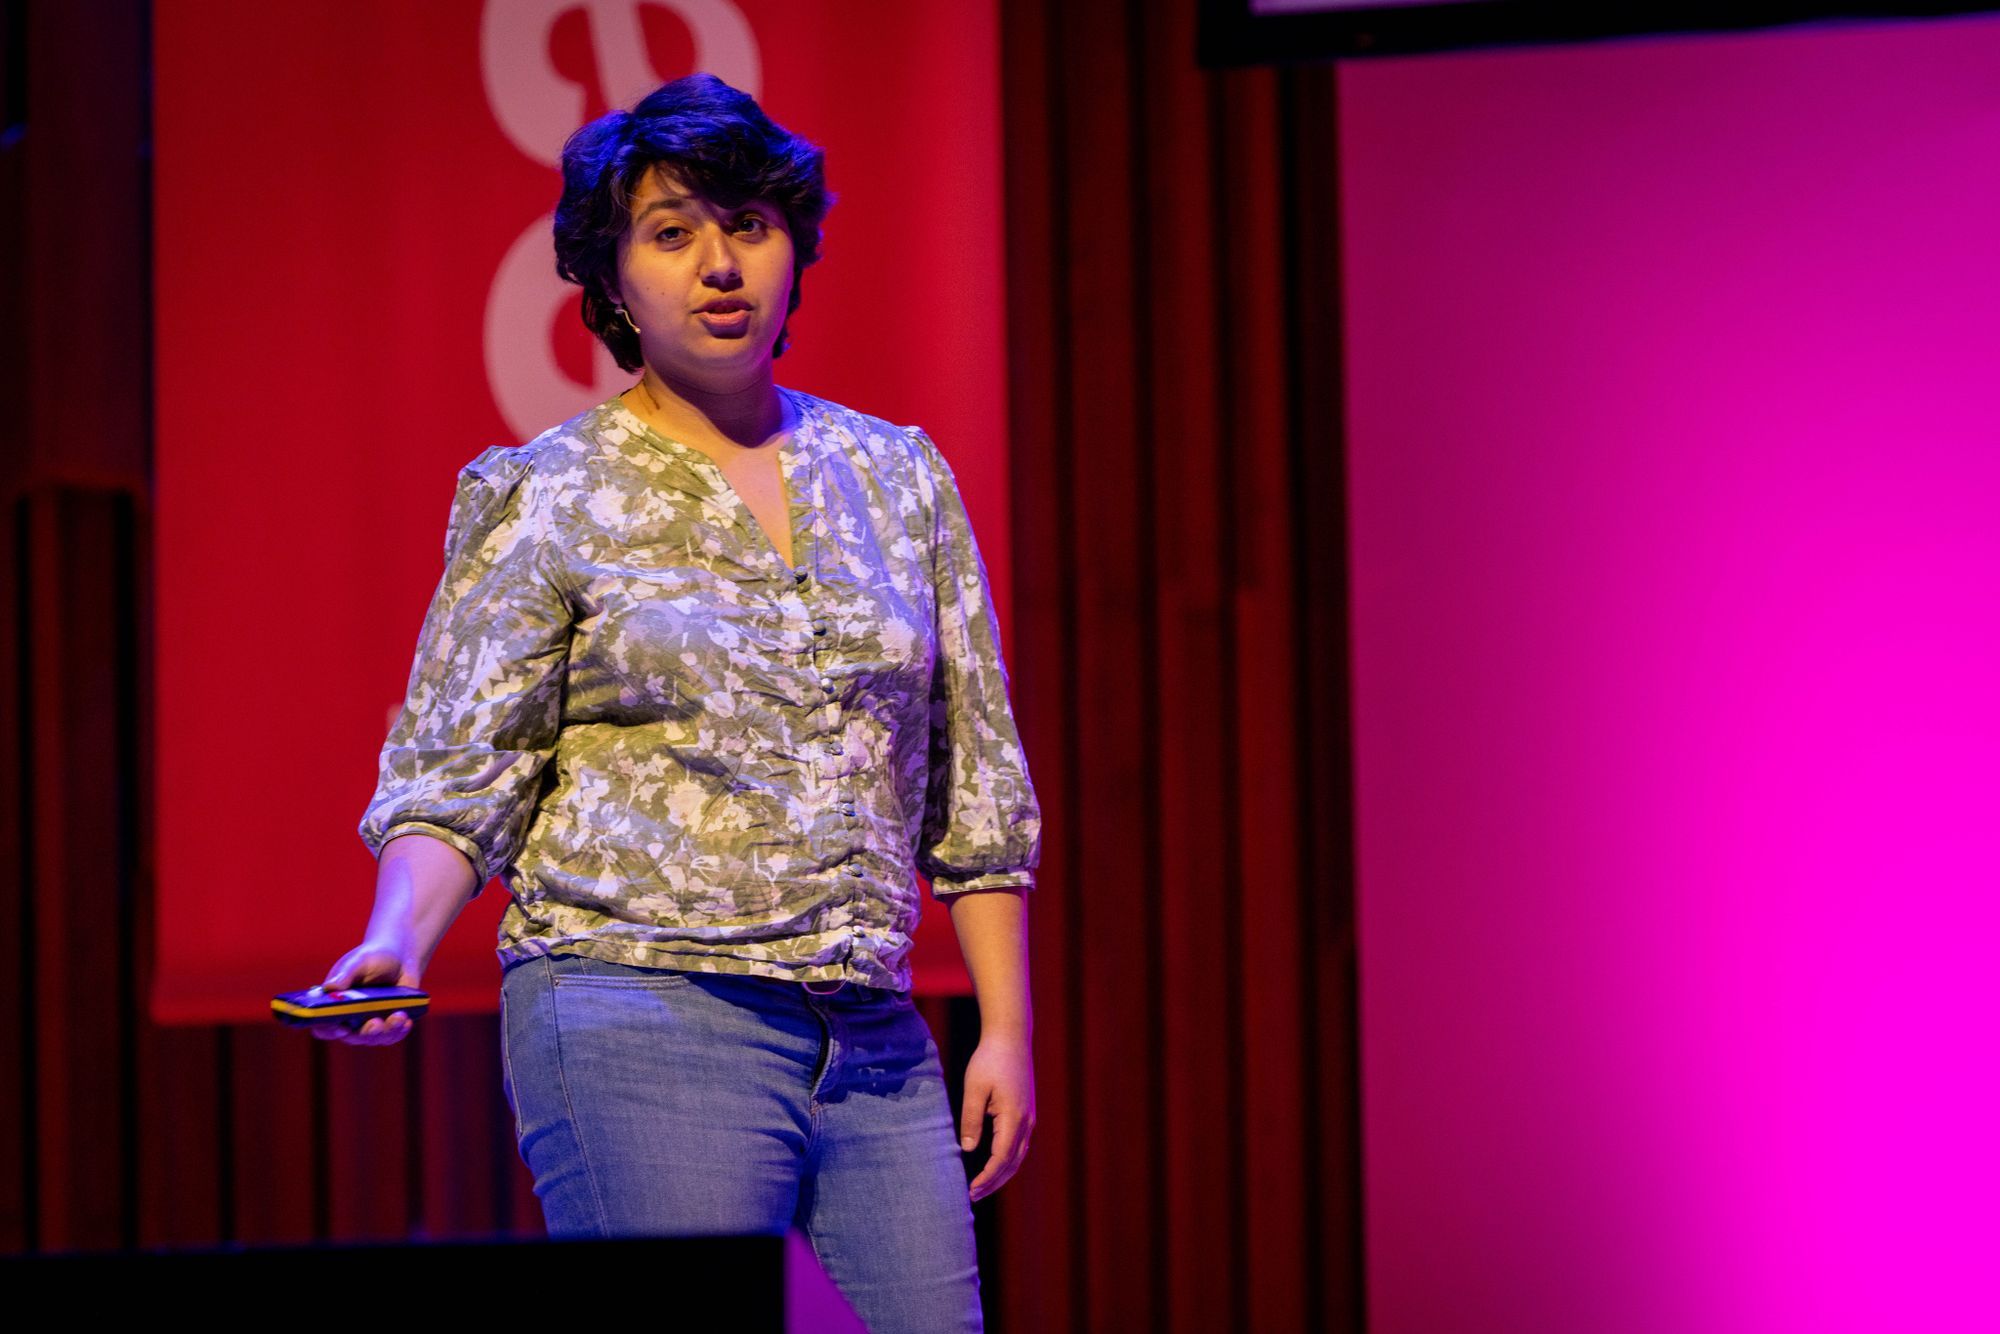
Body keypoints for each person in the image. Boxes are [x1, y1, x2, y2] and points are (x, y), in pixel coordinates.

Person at [313, 72, 1041, 1333]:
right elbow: (455, 775)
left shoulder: (898, 475)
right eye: (670, 232)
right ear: (610, 280)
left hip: (871, 1033)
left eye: (748, 225)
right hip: (639, 1010)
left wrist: (1004, 1027)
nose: (719, 264)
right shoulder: (547, 491)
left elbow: (978, 786)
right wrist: (397, 937)